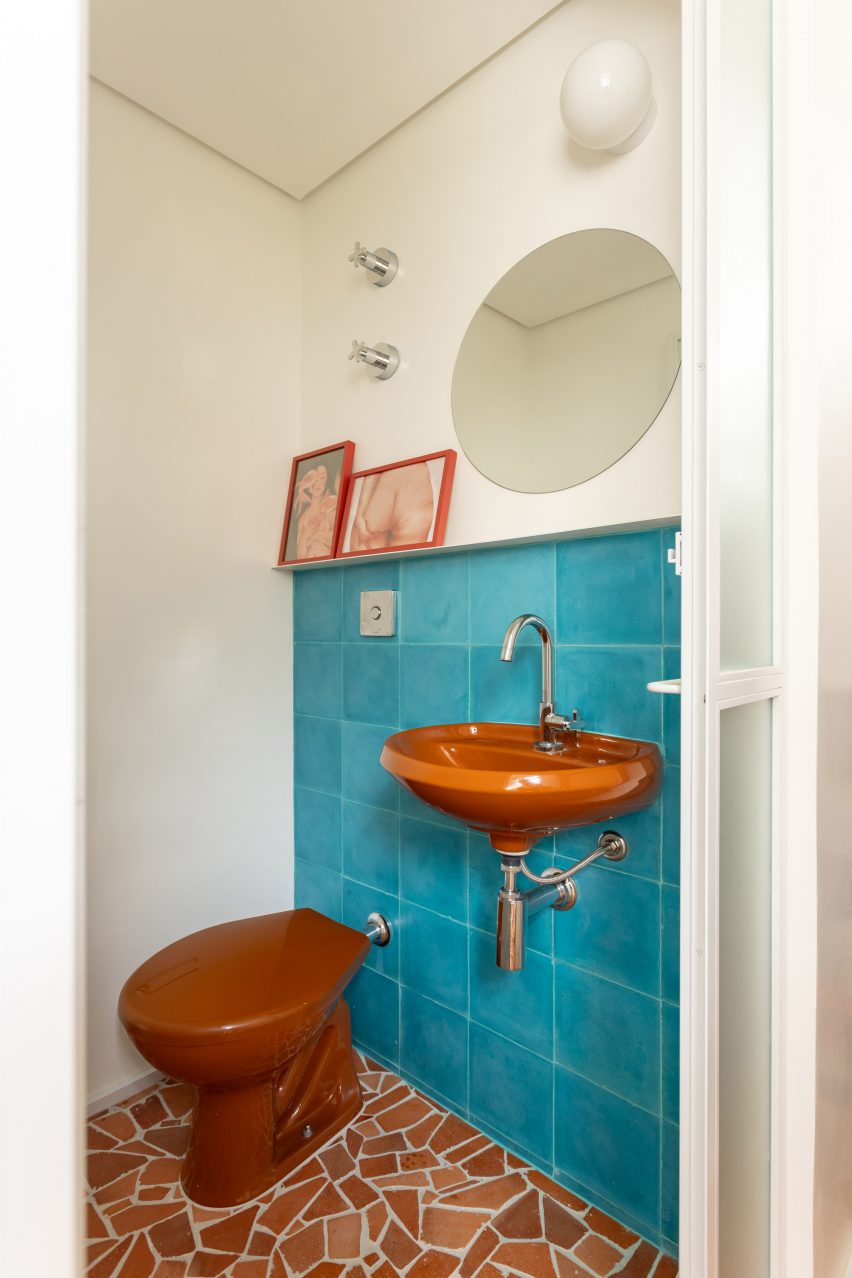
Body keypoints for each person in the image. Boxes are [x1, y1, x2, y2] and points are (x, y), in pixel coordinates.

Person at [349, 462, 434, 551]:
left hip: (384, 485)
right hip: (417, 487)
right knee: (405, 561)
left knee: (364, 559)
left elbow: (375, 459)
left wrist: (362, 510)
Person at [293, 464, 340, 559]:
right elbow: (299, 556)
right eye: (315, 478)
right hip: (308, 567)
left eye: (322, 478)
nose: (318, 483)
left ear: (327, 481)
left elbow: (337, 540)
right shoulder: (303, 517)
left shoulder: (331, 505)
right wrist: (305, 537)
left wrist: (313, 536)